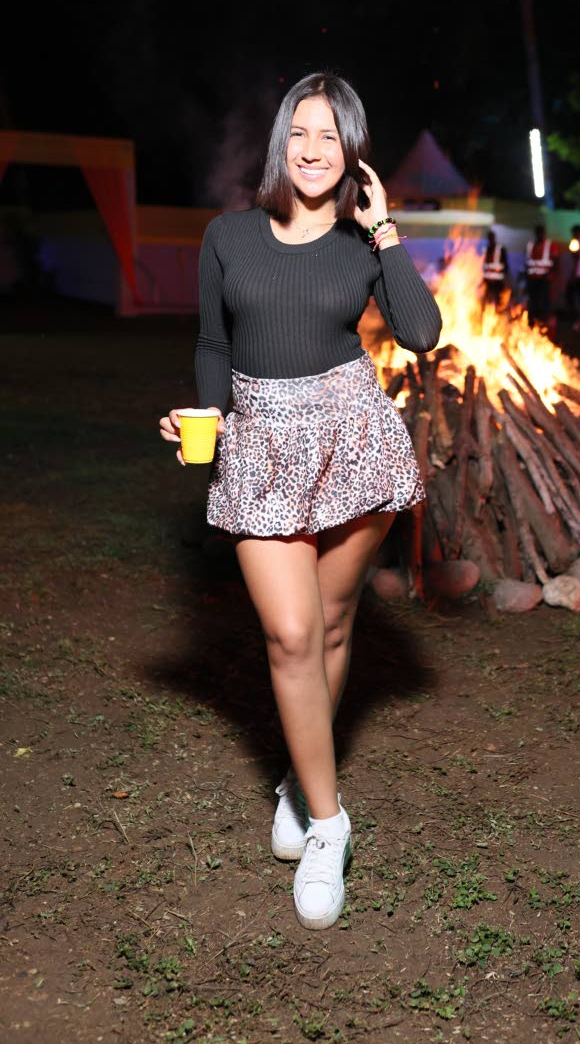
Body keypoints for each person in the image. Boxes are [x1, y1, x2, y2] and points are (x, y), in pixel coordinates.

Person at [159, 73, 441, 932]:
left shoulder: (362, 243)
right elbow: (214, 342)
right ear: (281, 141)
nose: (314, 150)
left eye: (332, 135)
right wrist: (206, 417)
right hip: (261, 440)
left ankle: (299, 777)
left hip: (352, 435)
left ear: (353, 150)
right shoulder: (229, 236)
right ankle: (329, 822)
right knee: (289, 634)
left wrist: (385, 226)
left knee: (331, 623)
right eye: (301, 133)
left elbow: (422, 333)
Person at [524, 224, 558, 332]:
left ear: (544, 233)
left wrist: (551, 275)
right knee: (532, 304)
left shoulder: (549, 246)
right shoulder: (530, 245)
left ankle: (543, 325)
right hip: (532, 279)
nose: (539, 235)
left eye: (541, 232)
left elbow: (556, 261)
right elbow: (527, 262)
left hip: (544, 280)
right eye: (538, 232)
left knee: (543, 304)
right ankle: (532, 325)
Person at [481, 229, 509, 311]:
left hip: (497, 281)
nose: (491, 240)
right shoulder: (486, 250)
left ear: (494, 238)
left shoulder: (500, 249)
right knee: (486, 301)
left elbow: (505, 266)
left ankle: (499, 316)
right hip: (488, 281)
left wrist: (505, 279)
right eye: (489, 238)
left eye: (491, 238)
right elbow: (484, 266)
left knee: (499, 301)